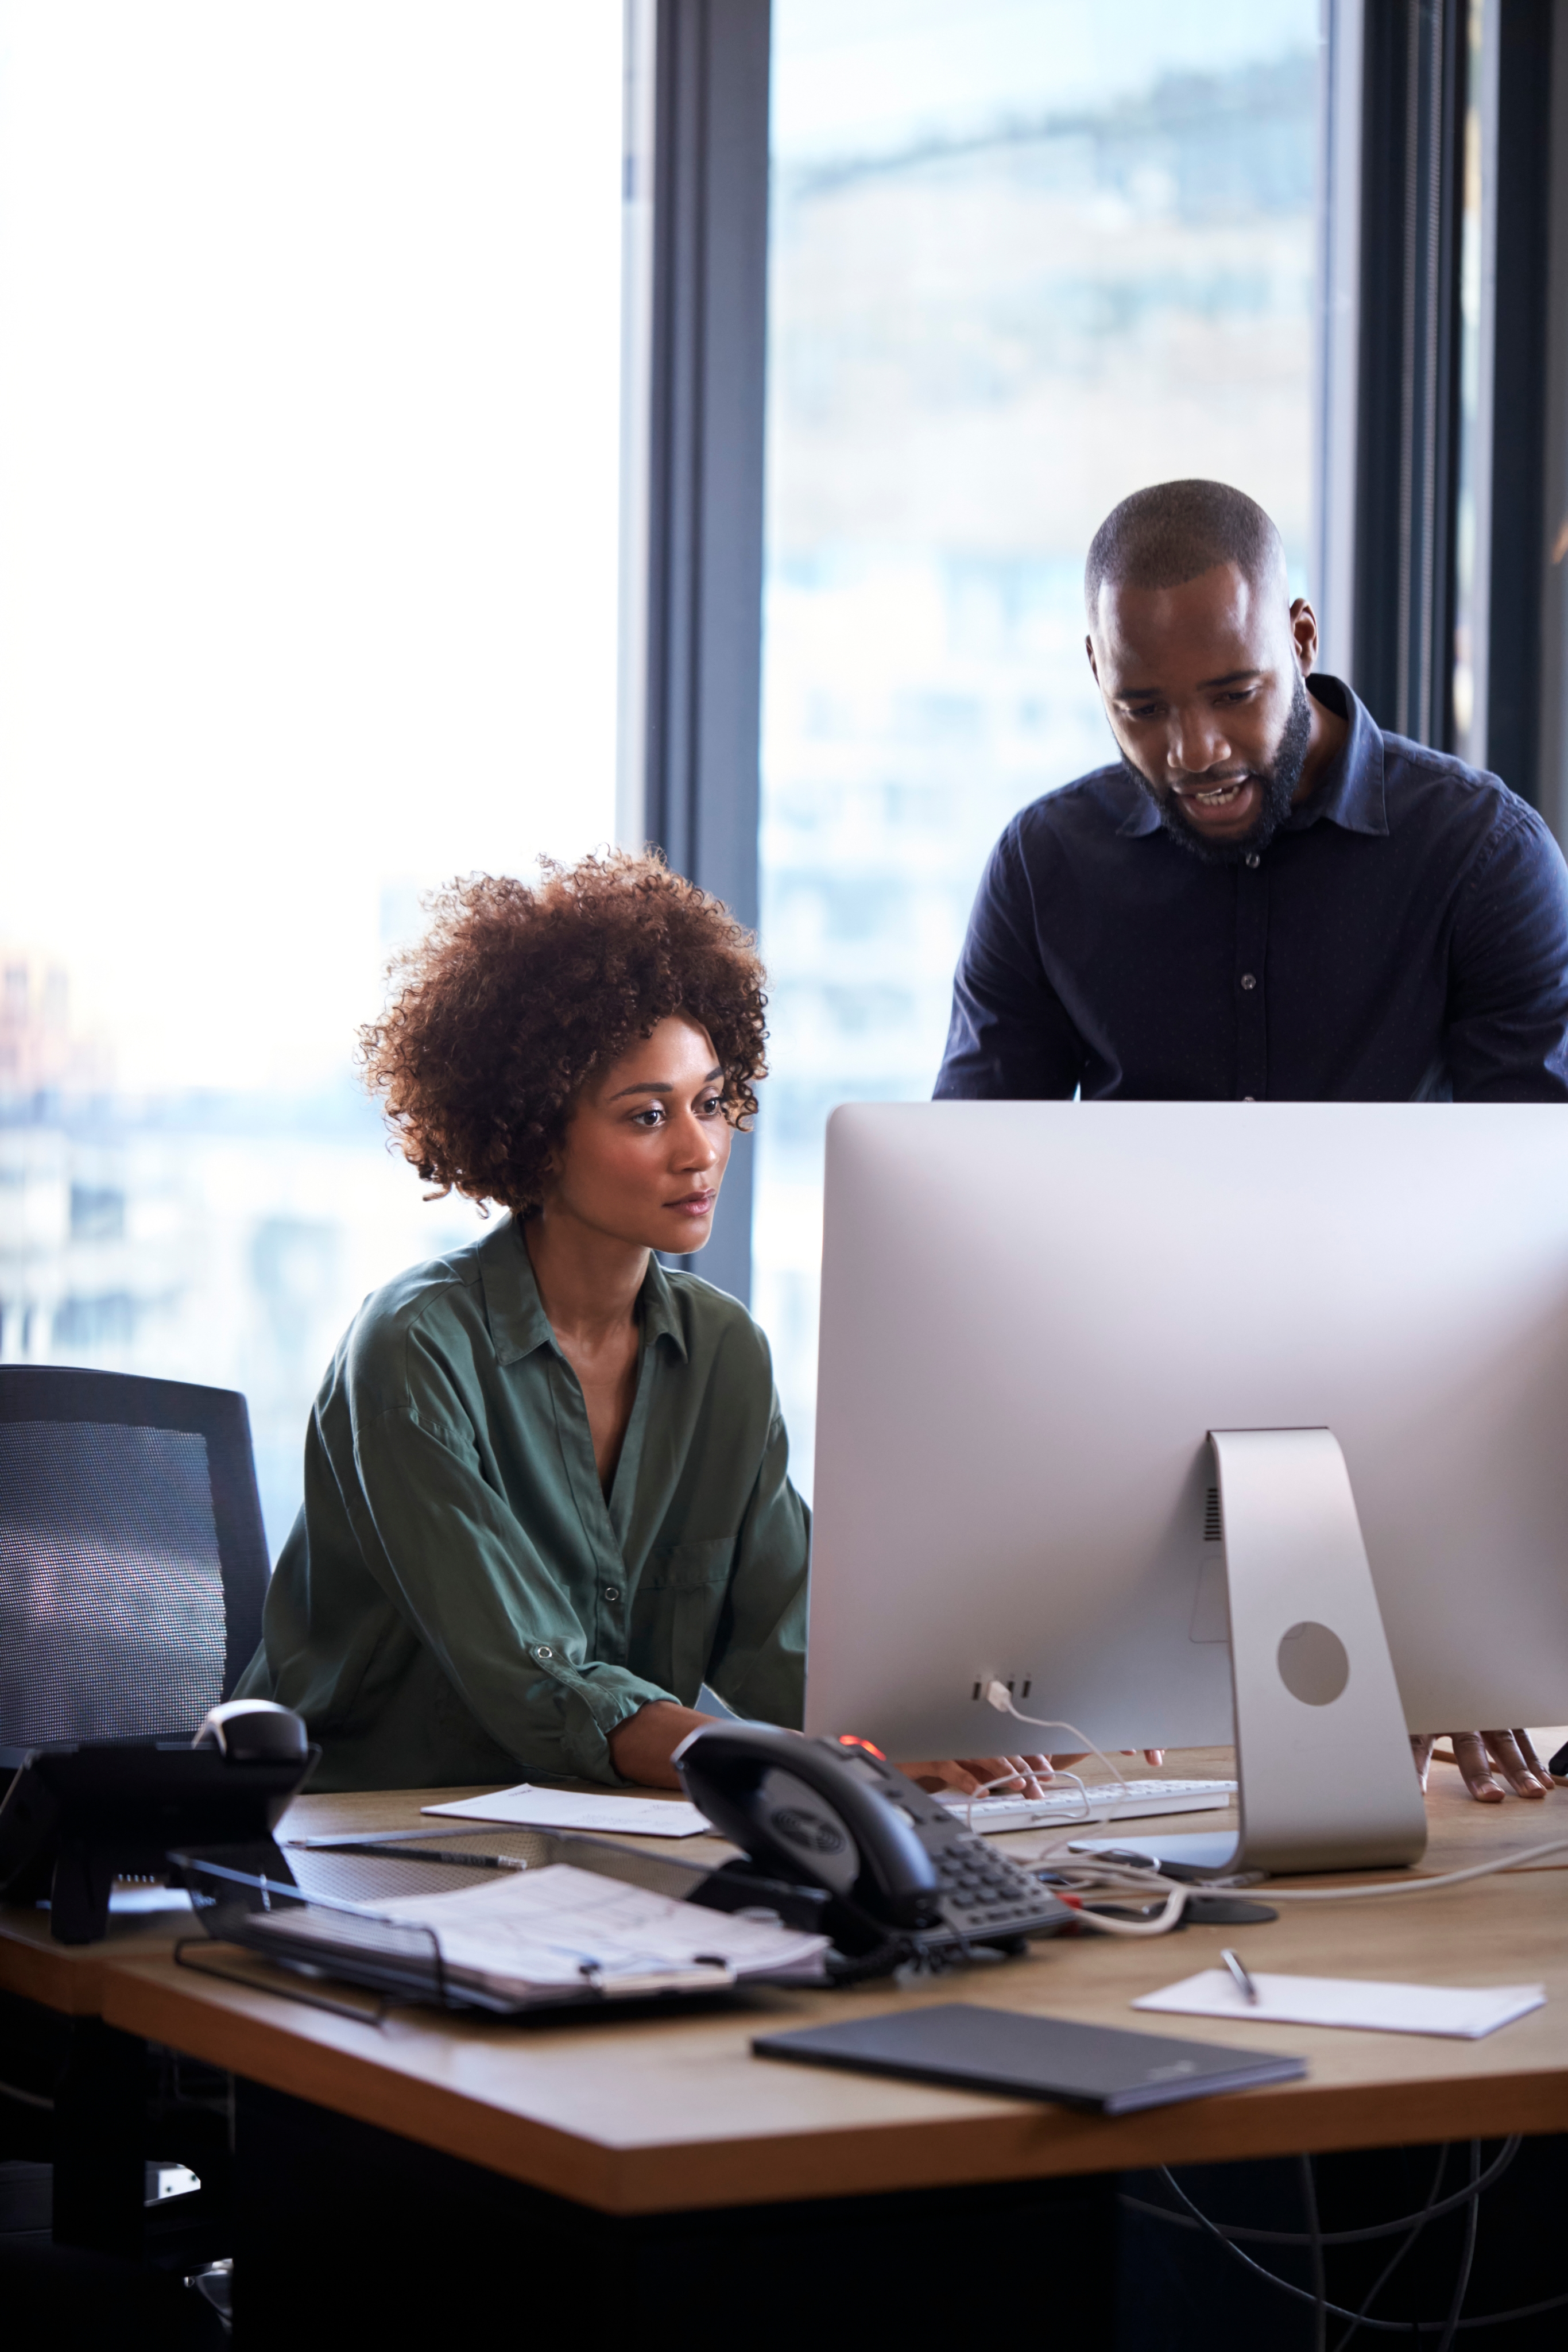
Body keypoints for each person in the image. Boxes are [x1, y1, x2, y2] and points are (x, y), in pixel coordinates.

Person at [935, 477, 1568, 1806]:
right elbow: (961, 1221)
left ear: (1301, 634)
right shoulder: (1046, 868)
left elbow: (1538, 1228)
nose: (1194, 749)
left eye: (1233, 690)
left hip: (1416, 1411)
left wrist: (1470, 1607)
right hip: (1127, 1440)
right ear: (1093, 674)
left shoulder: (1476, 855)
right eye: (1144, 708)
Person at [240, 853, 1049, 1797]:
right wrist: (819, 1763)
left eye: (709, 1102)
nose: (701, 1148)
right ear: (536, 1134)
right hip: (373, 1835)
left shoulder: (723, 1355)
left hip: (600, 1836)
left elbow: (790, 1649)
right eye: (646, 1116)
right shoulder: (416, 1353)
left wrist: (979, 1727)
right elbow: (542, 1683)